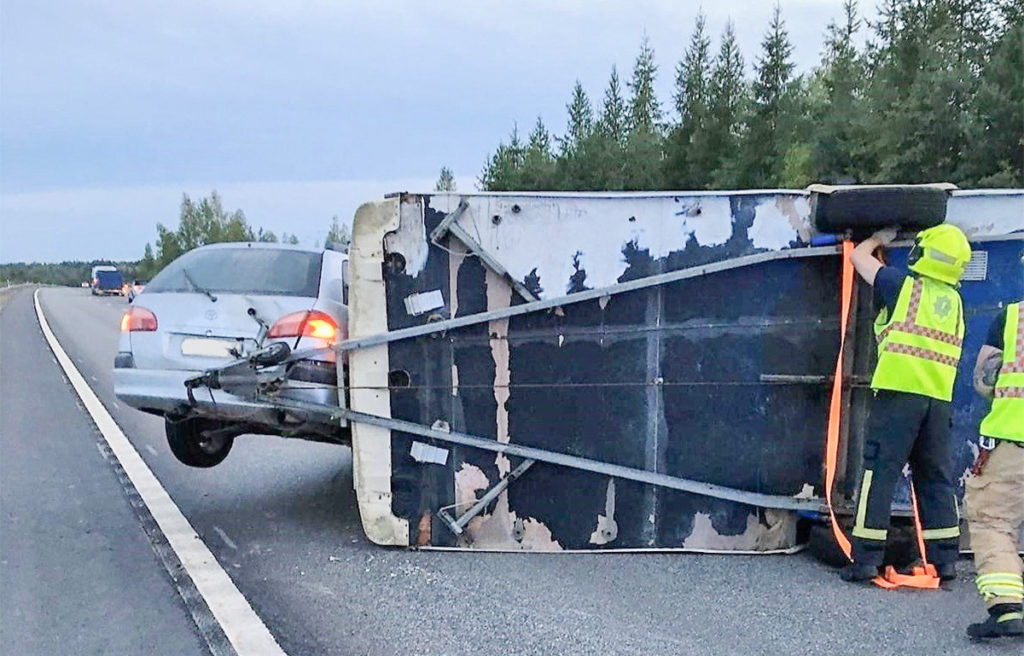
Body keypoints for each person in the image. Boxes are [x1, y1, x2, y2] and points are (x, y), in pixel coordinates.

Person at [841, 223, 972, 583]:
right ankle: (945, 560)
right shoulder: (957, 304)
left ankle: (865, 559)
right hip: (938, 403)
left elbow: (857, 258)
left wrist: (878, 239)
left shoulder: (903, 287)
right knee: (935, 479)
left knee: (878, 474)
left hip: (899, 396)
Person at [963, 300, 1024, 640]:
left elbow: (984, 382)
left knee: (993, 522)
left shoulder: (1013, 317)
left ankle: (1006, 609)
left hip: (1014, 438)